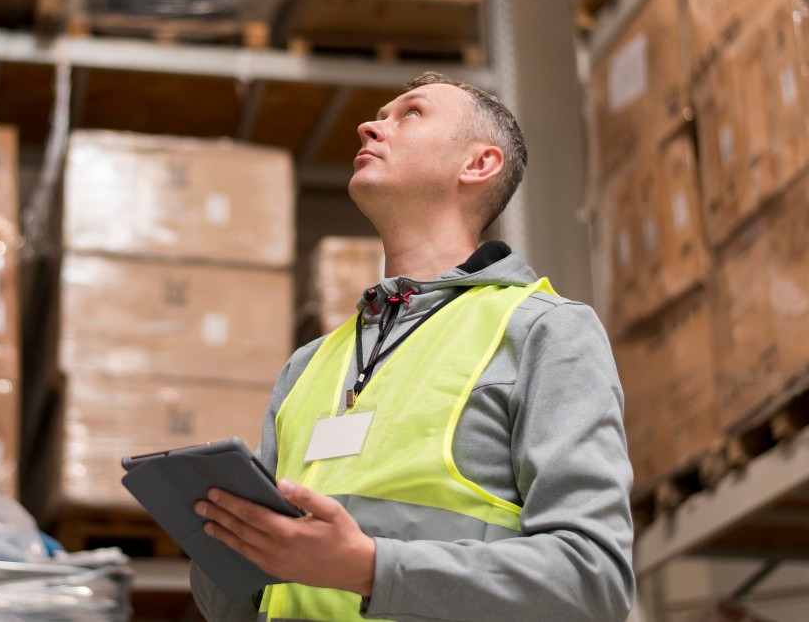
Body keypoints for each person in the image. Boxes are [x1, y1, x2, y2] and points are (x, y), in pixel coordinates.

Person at [188, 72, 635, 621]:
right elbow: (242, 606)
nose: (369, 126)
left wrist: (370, 568)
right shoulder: (307, 367)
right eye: (381, 114)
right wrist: (219, 538)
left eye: (412, 113)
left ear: (478, 164)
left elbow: (593, 581)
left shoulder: (543, 332)